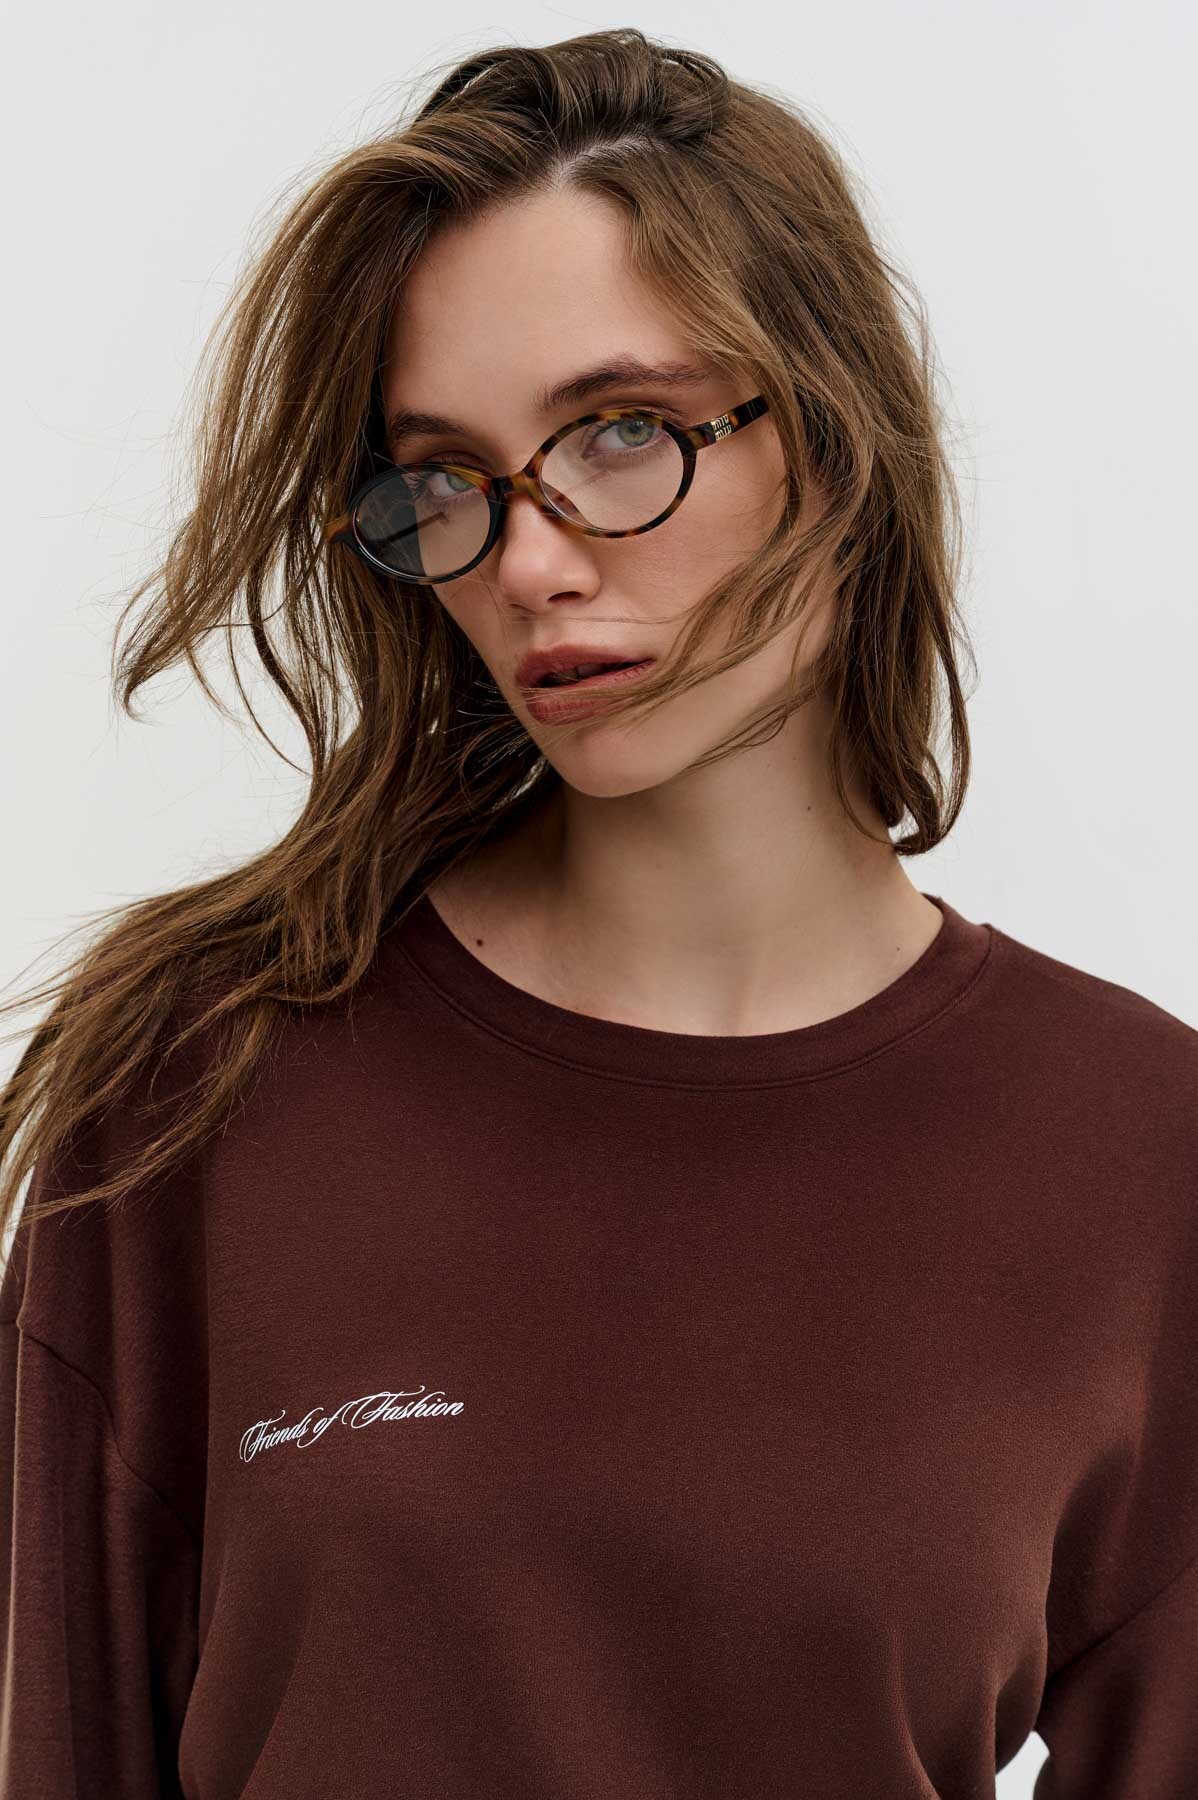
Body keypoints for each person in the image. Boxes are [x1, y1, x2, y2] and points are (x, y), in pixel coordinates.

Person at [0, 28, 1193, 1800]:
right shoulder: (201, 1081)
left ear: (833, 435)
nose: (530, 560)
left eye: (621, 434)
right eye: (443, 479)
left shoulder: (1139, 1149)